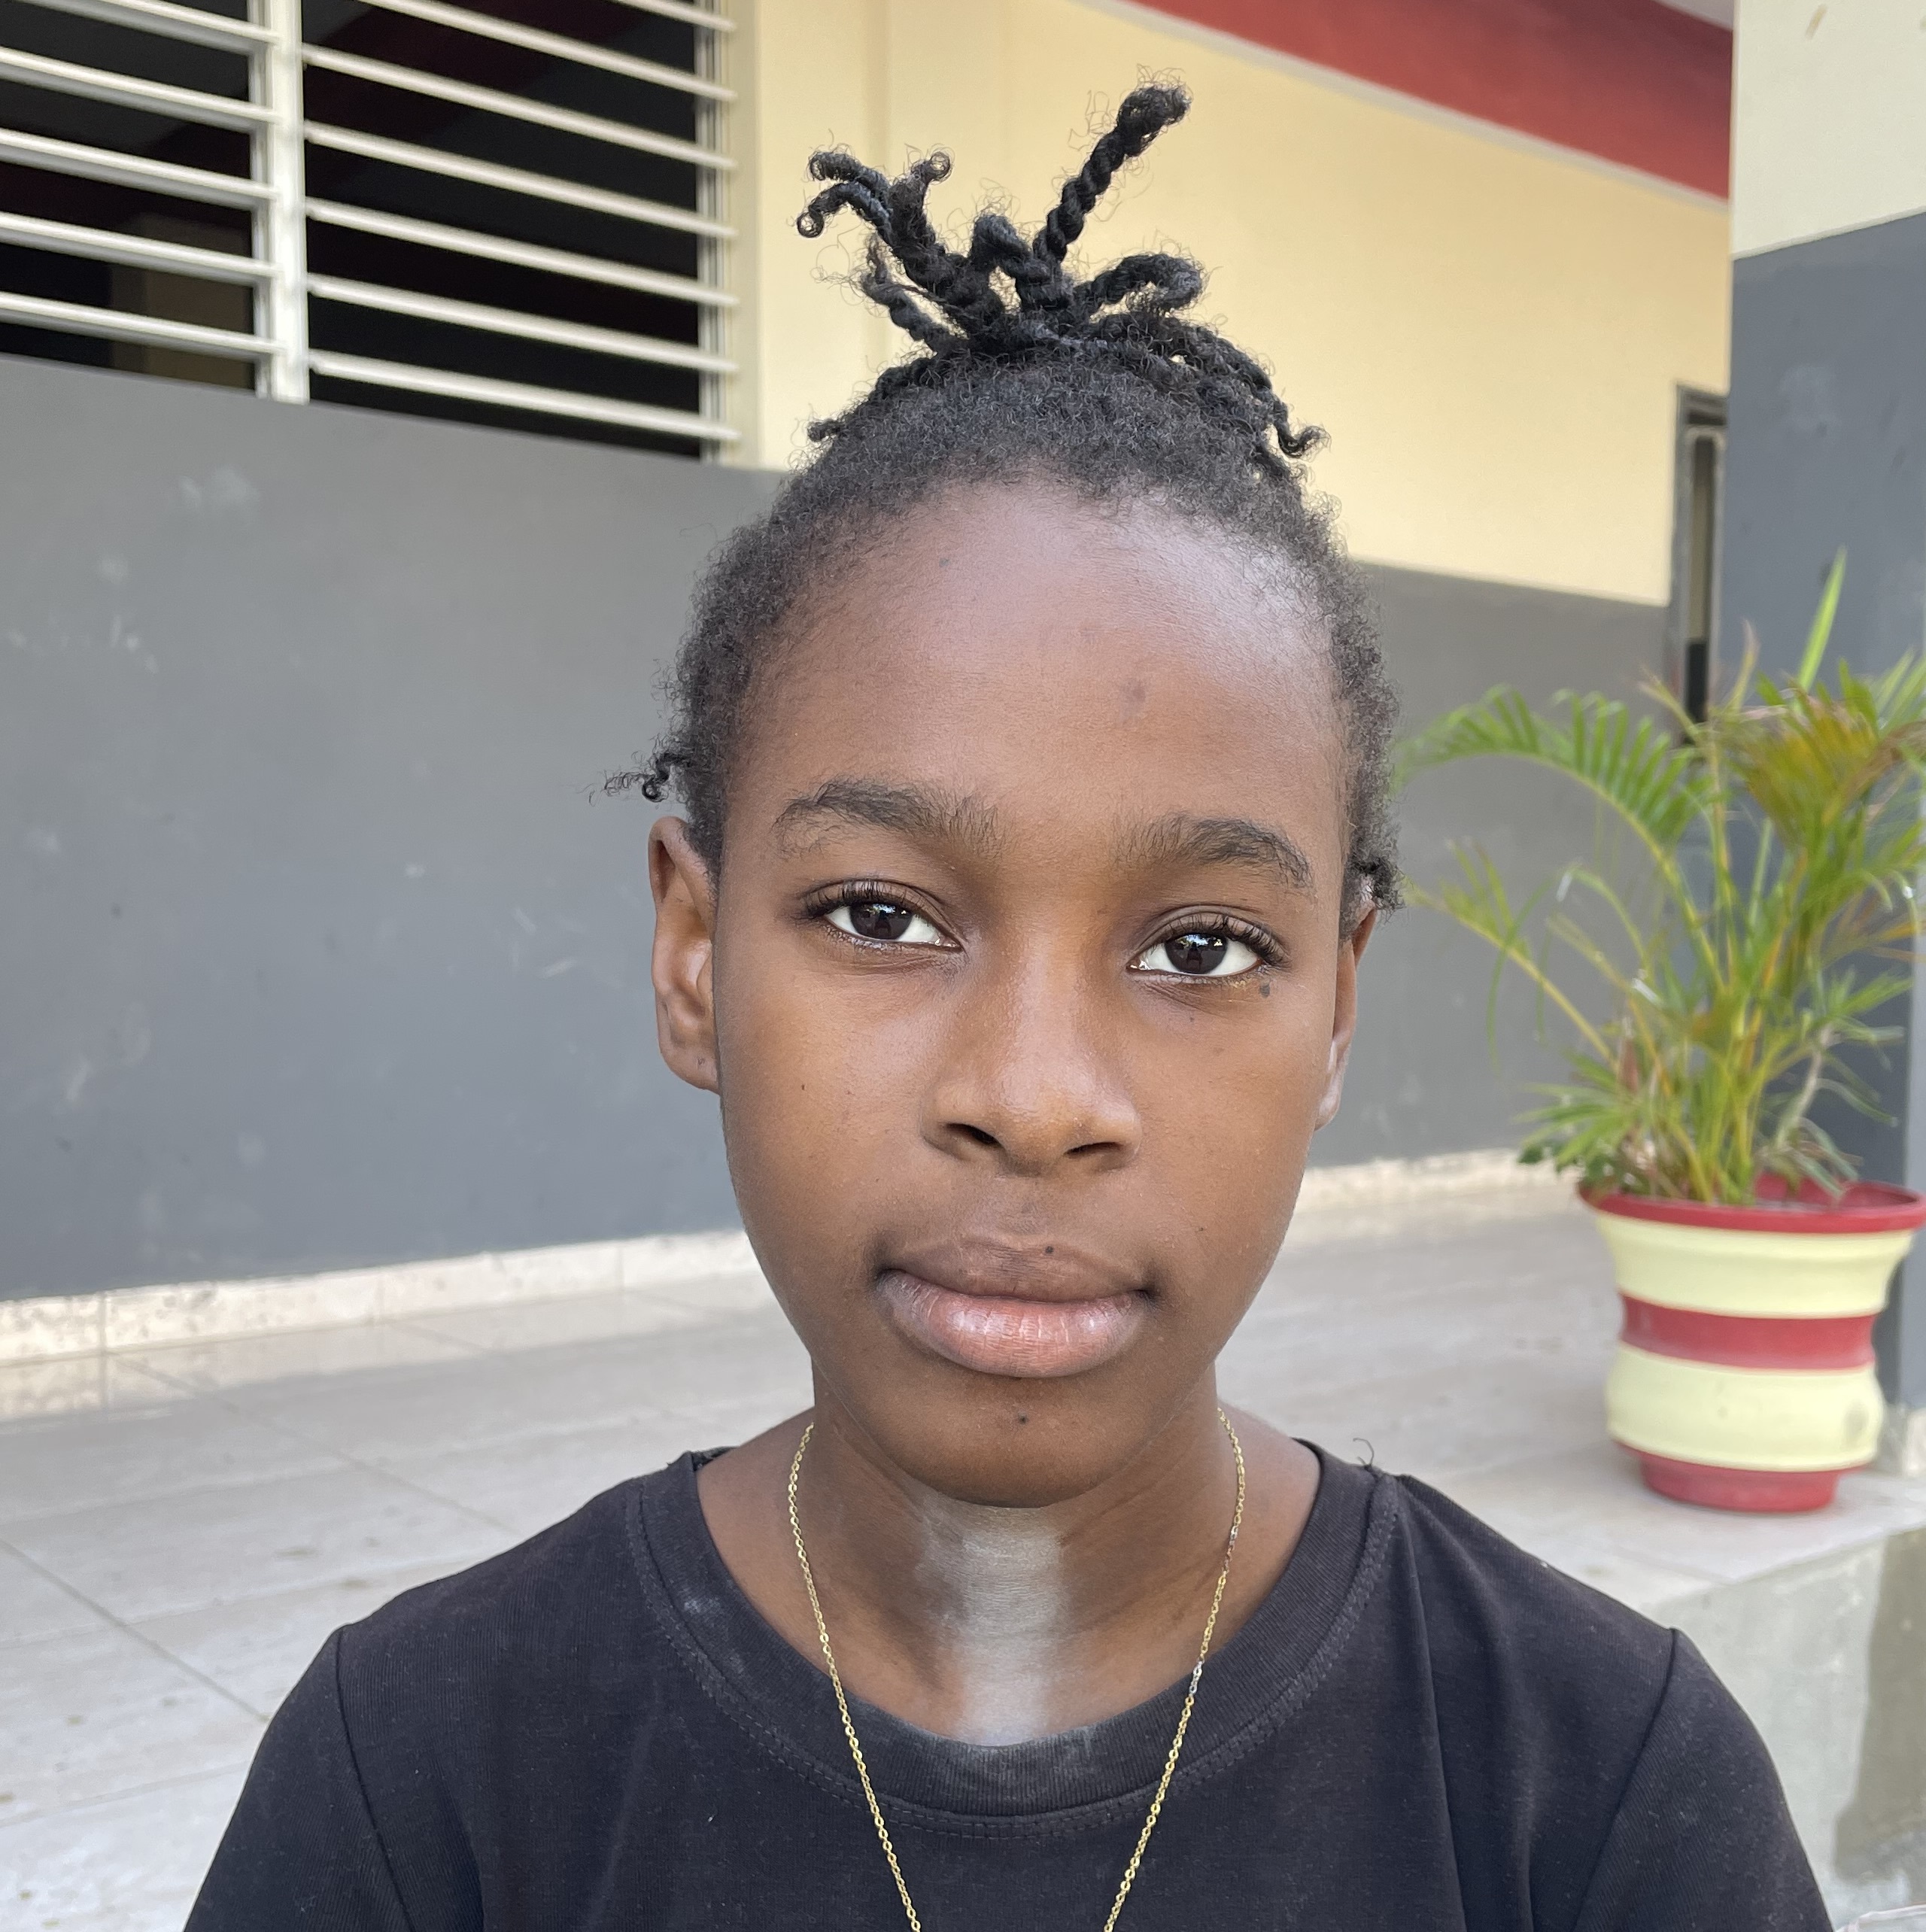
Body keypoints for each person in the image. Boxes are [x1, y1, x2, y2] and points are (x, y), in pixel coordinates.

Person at [186, 85, 1829, 1932]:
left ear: (1336, 1009)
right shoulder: (422, 1783)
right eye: (879, 913)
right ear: (694, 956)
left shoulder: (1597, 1794)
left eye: (1198, 948)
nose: (1034, 1098)